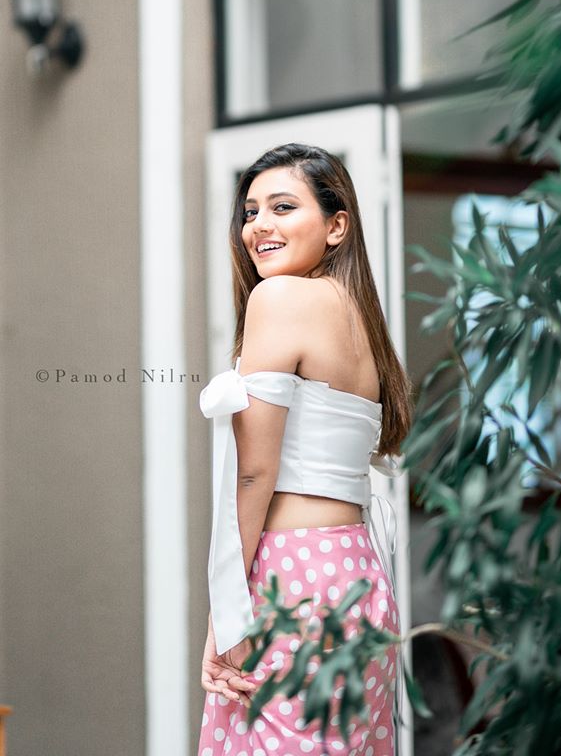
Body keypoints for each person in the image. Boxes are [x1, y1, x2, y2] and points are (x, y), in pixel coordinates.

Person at [197, 142, 412, 756]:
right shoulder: (360, 320)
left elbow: (254, 474)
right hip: (358, 574)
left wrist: (225, 614)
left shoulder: (280, 299)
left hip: (293, 576)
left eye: (283, 207)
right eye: (250, 212)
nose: (258, 225)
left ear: (337, 225)